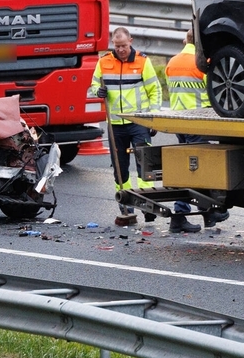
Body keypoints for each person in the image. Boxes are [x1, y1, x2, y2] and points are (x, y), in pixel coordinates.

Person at [88, 27, 161, 227]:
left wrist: (152, 117)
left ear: (131, 41)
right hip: (116, 124)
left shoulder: (142, 61)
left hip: (138, 122)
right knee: (120, 167)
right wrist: (98, 91)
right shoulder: (104, 63)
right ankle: (127, 204)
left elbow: (155, 90)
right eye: (117, 46)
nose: (120, 49)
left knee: (144, 164)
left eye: (124, 45)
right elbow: (93, 85)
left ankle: (147, 203)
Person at [165, 29, 229, 233]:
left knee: (190, 168)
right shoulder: (201, 63)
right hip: (197, 120)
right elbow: (213, 93)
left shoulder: (172, 62)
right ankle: (183, 214)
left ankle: (208, 213)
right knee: (195, 171)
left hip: (179, 121)